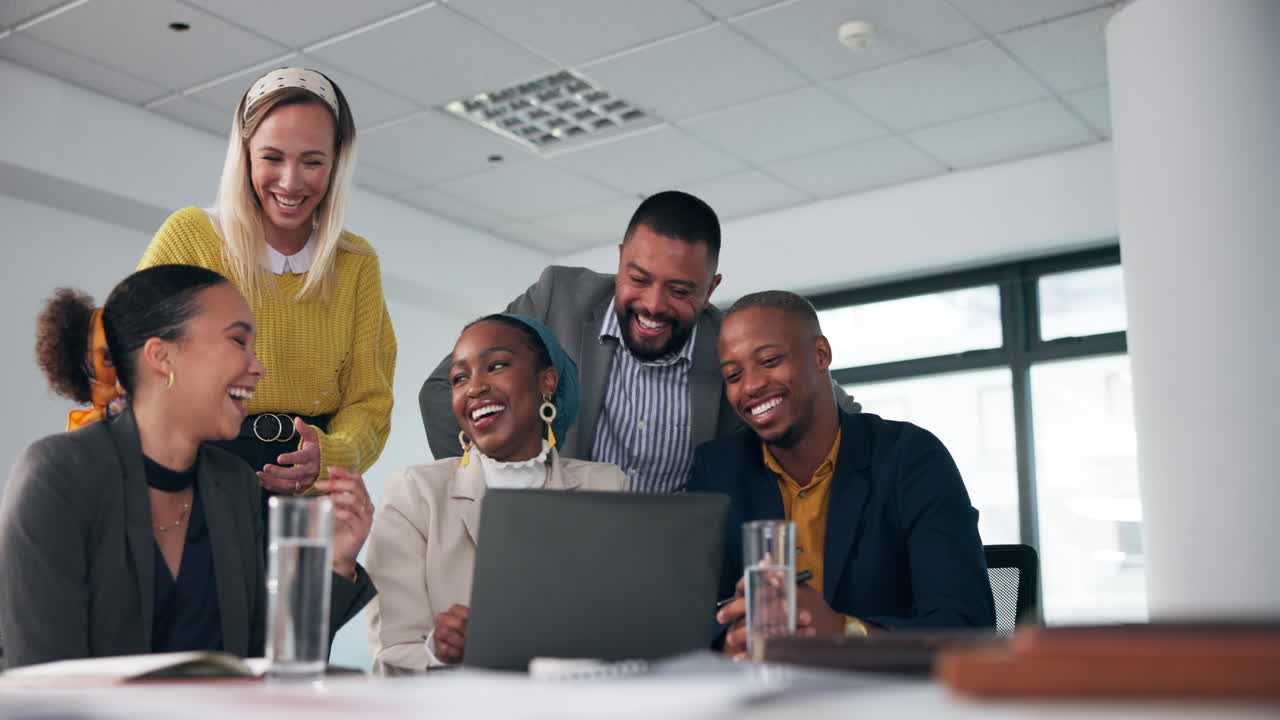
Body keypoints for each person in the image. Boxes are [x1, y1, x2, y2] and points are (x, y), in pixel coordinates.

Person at [0, 265, 376, 668]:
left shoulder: (233, 485)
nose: (258, 367)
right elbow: (41, 681)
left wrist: (334, 564)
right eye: (238, 341)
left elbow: (264, 666)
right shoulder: (57, 476)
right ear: (162, 356)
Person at [420, 191, 858, 493]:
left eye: (681, 291)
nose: (653, 305)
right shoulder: (558, 300)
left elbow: (841, 418)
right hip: (553, 555)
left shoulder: (732, 344)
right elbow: (443, 393)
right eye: (638, 279)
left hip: (675, 576)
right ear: (619, 259)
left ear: (710, 289)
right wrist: (502, 487)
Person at [689, 291, 994, 657]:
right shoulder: (717, 470)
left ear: (821, 355)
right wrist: (728, 640)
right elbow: (691, 612)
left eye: (769, 360)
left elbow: (966, 626)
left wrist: (844, 631)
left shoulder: (910, 458)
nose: (751, 385)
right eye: (733, 375)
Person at [139, 66, 395, 496]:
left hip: (307, 490)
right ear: (244, 156)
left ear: (337, 162)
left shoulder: (357, 264)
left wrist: (330, 455)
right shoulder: (191, 237)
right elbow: (134, 362)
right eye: (272, 158)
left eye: (312, 162)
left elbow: (369, 401)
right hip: (195, 480)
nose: (290, 182)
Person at [367, 314, 625, 673]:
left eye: (496, 365)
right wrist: (437, 653)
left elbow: (626, 631)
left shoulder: (607, 487)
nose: (474, 388)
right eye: (460, 378)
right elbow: (391, 654)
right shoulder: (415, 494)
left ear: (547, 382)